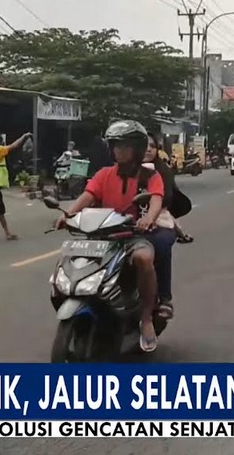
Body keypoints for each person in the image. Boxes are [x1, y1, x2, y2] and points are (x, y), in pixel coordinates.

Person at [55, 120, 164, 352]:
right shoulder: (104, 174)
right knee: (70, 256)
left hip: (132, 236)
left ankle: (145, 318)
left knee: (144, 259)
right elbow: (88, 195)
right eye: (116, 146)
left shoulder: (149, 177)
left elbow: (155, 199)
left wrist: (148, 219)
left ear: (136, 148)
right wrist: (69, 214)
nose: (119, 150)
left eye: (124, 146)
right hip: (101, 238)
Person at [144, 132, 193, 320]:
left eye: (152, 146)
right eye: (144, 145)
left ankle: (164, 298)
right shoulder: (119, 170)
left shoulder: (160, 171)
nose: (148, 149)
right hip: (121, 221)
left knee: (161, 244)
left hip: (158, 219)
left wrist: (149, 215)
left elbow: (163, 199)